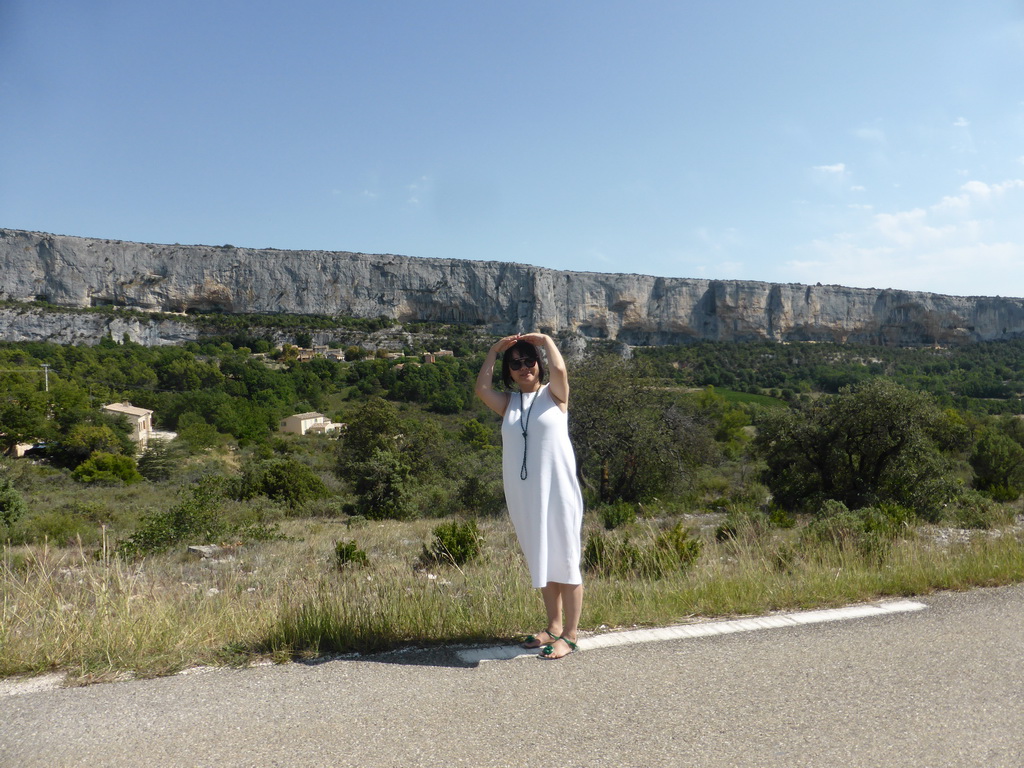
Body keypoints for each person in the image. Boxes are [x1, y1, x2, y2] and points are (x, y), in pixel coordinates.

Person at [474, 332, 584, 660]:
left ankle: (571, 635)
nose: (524, 367)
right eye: (516, 363)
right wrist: (495, 350)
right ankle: (552, 627)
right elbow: (481, 389)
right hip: (525, 495)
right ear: (509, 371)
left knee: (565, 558)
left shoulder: (555, 395)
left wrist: (547, 341)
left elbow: (561, 372)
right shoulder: (509, 403)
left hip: (559, 491)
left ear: (539, 364)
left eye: (529, 361)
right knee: (542, 557)